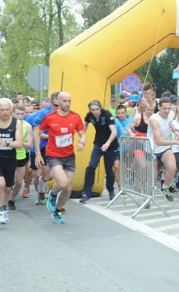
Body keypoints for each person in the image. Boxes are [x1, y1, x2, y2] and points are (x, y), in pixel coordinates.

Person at [35, 92, 86, 224]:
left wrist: (81, 142)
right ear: (58, 101)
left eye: (69, 101)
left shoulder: (75, 117)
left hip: (69, 155)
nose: (67, 104)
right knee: (63, 183)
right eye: (64, 101)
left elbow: (82, 133)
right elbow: (37, 132)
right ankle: (52, 195)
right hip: (53, 155)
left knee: (68, 187)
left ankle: (57, 210)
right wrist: (38, 154)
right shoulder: (50, 117)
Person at [79, 100, 118, 203]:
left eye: (97, 109)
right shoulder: (89, 115)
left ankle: (111, 190)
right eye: (93, 110)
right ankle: (86, 193)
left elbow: (114, 131)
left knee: (109, 171)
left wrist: (108, 143)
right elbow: (85, 124)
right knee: (91, 166)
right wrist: (82, 135)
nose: (95, 112)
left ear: (100, 108)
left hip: (110, 145)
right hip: (98, 143)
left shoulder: (107, 114)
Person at [147, 97, 178, 201]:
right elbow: (158, 141)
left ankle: (165, 187)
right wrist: (175, 141)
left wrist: (175, 130)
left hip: (165, 148)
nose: (167, 111)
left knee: (172, 167)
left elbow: (170, 125)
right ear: (159, 107)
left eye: (169, 108)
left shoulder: (172, 115)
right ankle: (147, 197)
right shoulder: (154, 120)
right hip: (152, 149)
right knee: (153, 177)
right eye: (164, 108)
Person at [8, 104, 33, 211]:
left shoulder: (27, 126)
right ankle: (3, 198)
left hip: (20, 155)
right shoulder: (7, 124)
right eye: (17, 114)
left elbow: (29, 145)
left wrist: (19, 143)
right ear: (12, 113)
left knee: (18, 182)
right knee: (6, 181)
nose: (20, 116)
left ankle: (11, 199)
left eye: (22, 114)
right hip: (7, 155)